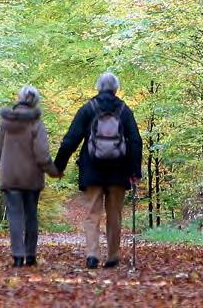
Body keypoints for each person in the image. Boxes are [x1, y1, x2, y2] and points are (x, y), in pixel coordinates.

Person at [54, 73, 142, 269]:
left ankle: (92, 254)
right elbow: (135, 141)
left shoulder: (88, 109)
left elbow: (70, 140)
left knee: (92, 214)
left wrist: (58, 166)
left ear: (98, 87)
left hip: (92, 169)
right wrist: (135, 170)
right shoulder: (124, 110)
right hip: (119, 171)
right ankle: (112, 256)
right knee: (114, 215)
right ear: (116, 89)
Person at [0, 85, 61, 268]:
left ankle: (17, 255)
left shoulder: (5, 122)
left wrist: (4, 166)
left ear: (19, 98)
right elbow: (42, 154)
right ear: (35, 101)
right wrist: (53, 171)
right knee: (31, 215)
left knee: (15, 216)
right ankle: (30, 255)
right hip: (31, 177)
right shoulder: (36, 123)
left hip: (9, 176)